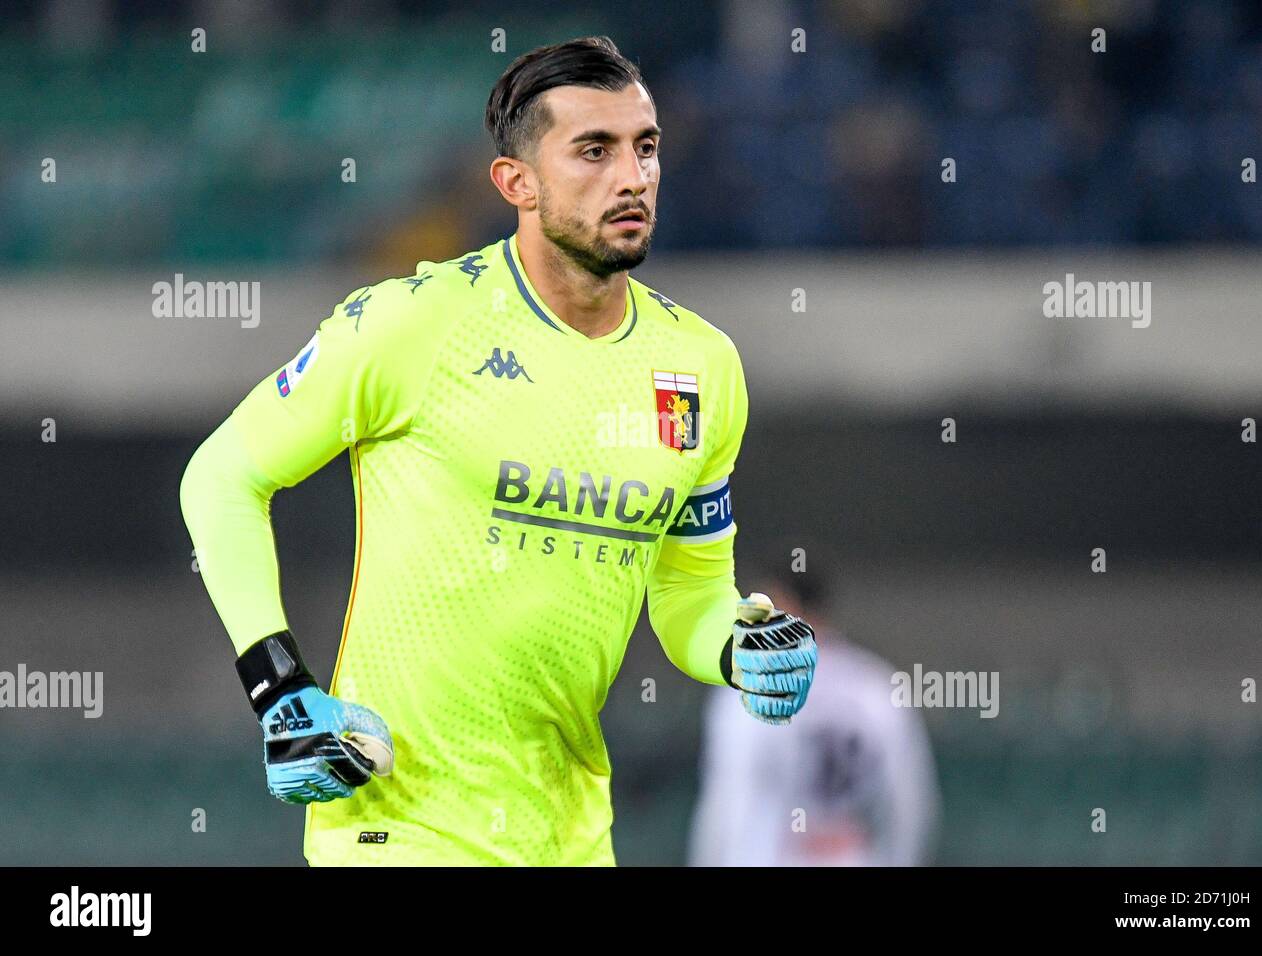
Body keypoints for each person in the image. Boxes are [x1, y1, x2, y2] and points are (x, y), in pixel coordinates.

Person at [179, 36, 816, 866]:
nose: (633, 178)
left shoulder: (702, 369)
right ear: (516, 182)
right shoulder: (412, 324)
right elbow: (223, 475)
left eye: (646, 147)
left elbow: (691, 594)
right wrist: (280, 689)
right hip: (399, 825)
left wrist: (740, 647)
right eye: (594, 150)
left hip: (573, 835)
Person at [689, 570, 939, 866]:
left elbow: (727, 799)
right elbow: (909, 801)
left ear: (789, 609)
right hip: (853, 857)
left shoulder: (753, 684)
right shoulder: (876, 685)